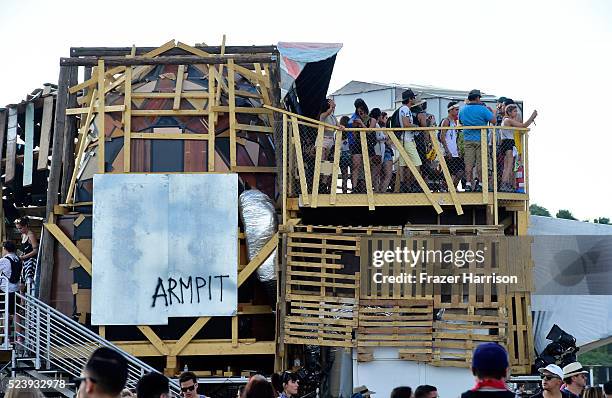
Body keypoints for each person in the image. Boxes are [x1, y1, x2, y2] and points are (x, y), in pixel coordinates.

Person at [458, 89, 496, 192]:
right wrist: (491, 111)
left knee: (469, 163)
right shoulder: (483, 109)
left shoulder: (462, 110)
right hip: (481, 139)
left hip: (468, 139)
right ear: (477, 98)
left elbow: (460, 121)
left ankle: (468, 184)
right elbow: (494, 121)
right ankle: (480, 184)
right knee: (481, 163)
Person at [499, 104, 537, 192]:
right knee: (509, 166)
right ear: (509, 112)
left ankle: (505, 184)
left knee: (507, 166)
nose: (516, 113)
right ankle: (504, 184)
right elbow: (524, 125)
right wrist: (532, 117)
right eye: (515, 111)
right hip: (509, 143)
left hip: (505, 143)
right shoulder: (508, 120)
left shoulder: (505, 120)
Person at [396, 89, 422, 192]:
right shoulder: (406, 109)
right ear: (410, 99)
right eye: (413, 97)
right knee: (417, 162)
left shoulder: (402, 109)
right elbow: (406, 124)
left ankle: (403, 184)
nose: (415, 99)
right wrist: (416, 126)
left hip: (403, 139)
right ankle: (416, 184)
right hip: (407, 139)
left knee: (403, 163)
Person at [440, 101, 464, 189]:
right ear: (451, 110)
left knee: (460, 171)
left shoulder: (454, 122)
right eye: (456, 110)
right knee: (449, 172)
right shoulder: (446, 121)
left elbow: (455, 138)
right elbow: (442, 137)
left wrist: (458, 150)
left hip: (455, 152)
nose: (458, 112)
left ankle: (452, 188)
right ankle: (448, 188)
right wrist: (447, 150)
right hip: (449, 151)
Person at [0, 241, 22, 336]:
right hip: (16, 289)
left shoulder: (4, 260)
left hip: (6, 290)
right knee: (16, 313)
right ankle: (19, 339)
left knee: (6, 313)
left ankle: (7, 338)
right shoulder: (18, 259)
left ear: (5, 249)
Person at [374, 110, 393, 192]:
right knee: (388, 174)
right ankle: (383, 192)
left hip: (377, 151)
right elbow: (388, 142)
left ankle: (378, 190)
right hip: (387, 151)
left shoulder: (376, 126)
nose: (387, 119)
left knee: (379, 174)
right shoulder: (385, 129)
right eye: (386, 117)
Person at [15, 217, 38, 285]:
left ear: (25, 226)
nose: (19, 230)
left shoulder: (31, 235)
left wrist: (23, 257)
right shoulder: (22, 235)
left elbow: (35, 251)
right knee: (21, 284)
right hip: (25, 261)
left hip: (31, 261)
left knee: (28, 283)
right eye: (18, 228)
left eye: (20, 228)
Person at [339, 116, 352, 194]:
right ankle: (354, 187)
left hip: (341, 155)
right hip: (349, 154)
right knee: (353, 172)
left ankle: (344, 190)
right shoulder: (350, 133)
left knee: (344, 174)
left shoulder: (338, 133)